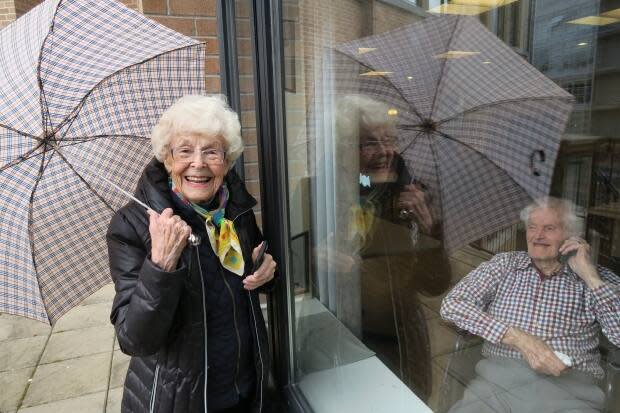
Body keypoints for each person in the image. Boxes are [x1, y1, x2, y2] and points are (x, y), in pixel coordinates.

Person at [107, 95, 277, 413]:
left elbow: (256, 272)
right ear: (167, 159)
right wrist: (161, 265)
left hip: (247, 389)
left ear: (227, 161)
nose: (198, 163)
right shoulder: (131, 225)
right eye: (185, 150)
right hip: (179, 402)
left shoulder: (236, 211)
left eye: (211, 151)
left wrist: (267, 272)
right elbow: (135, 339)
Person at [313, 95, 451, 400]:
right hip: (340, 330)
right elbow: (299, 273)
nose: (385, 151)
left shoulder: (415, 196)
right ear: (345, 148)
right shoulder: (325, 192)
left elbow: (435, 284)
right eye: (369, 143)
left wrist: (431, 231)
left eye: (390, 139)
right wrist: (316, 258)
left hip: (399, 339)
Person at [440, 197, 620, 412]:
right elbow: (452, 305)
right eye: (532, 227)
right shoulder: (505, 264)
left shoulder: (596, 278)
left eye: (549, 228)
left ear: (571, 236)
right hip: (495, 389)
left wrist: (590, 277)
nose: (537, 236)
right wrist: (519, 339)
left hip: (569, 397)